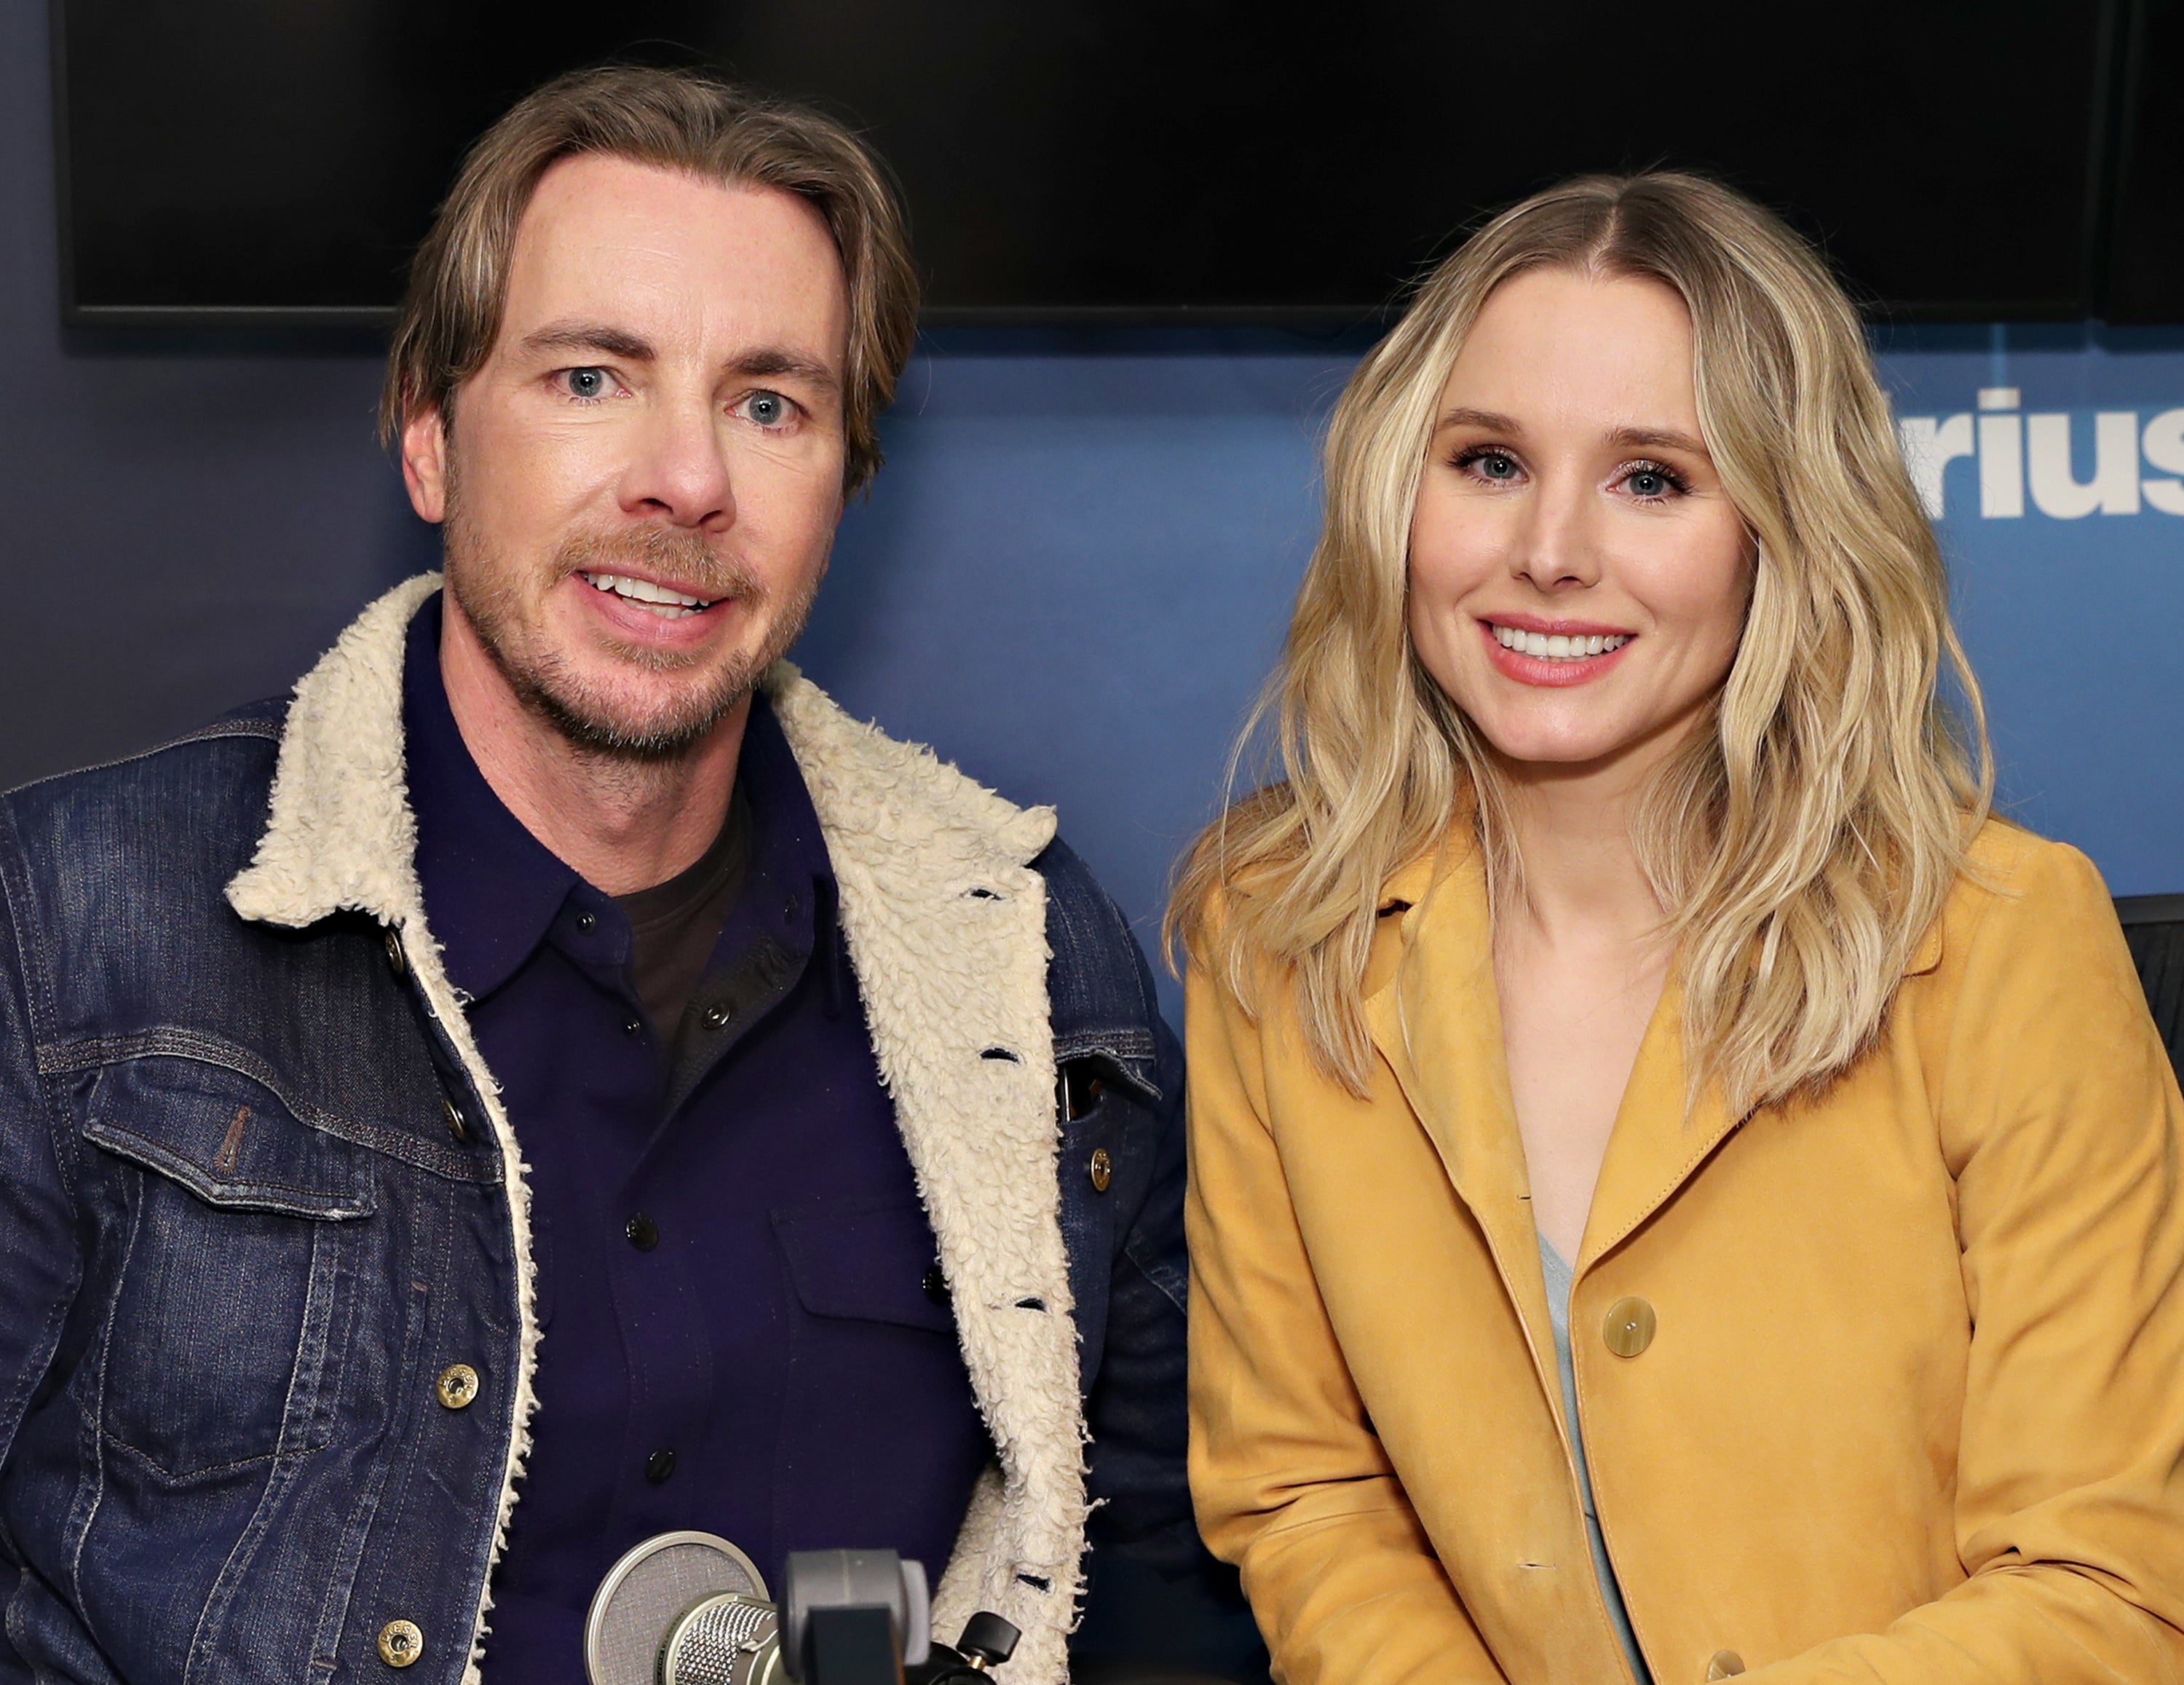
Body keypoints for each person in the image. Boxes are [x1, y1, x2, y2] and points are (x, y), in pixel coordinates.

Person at [0, 67, 1202, 1684]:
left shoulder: (1036, 980)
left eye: (769, 403)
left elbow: (1156, 1595)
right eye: (592, 377)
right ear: (428, 435)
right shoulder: (69, 929)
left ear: (842, 484)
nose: (686, 480)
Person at [1172, 172, 2184, 1685]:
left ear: (1778, 530)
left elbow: (2106, 1588)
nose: (1552, 550)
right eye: (1490, 460)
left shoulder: (2002, 941)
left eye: (1653, 478)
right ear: (1401, 490)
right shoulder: (1275, 930)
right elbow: (1305, 1491)